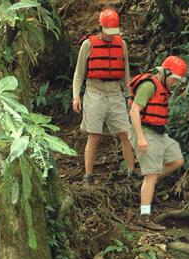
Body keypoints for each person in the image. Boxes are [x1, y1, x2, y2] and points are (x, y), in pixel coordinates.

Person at [72, 8, 135, 186]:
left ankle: (131, 173)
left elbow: (126, 73)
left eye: (114, 31)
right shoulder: (88, 45)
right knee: (94, 136)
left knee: (125, 133)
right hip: (95, 93)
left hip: (115, 93)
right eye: (108, 31)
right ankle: (88, 176)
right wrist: (76, 96)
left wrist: (130, 96)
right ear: (101, 27)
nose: (110, 35)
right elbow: (78, 74)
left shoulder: (121, 44)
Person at [127, 56, 188, 231]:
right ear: (166, 73)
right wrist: (140, 138)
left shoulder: (163, 86)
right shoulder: (149, 85)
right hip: (144, 131)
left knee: (177, 160)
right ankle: (144, 217)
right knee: (151, 175)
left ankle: (146, 184)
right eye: (175, 79)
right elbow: (134, 111)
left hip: (158, 132)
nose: (176, 84)